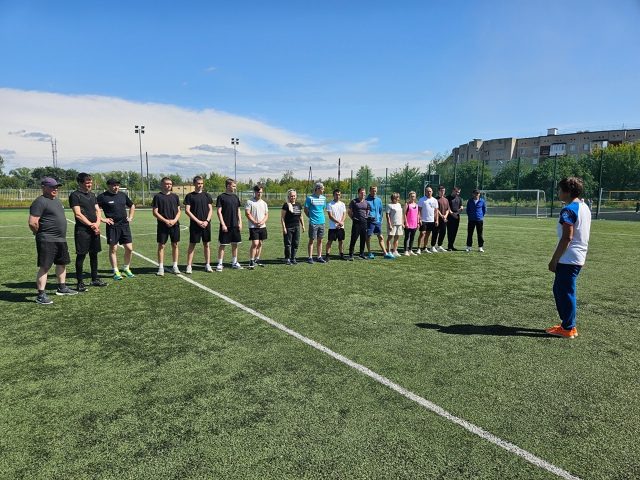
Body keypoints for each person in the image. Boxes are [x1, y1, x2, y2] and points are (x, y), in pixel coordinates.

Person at [546, 177, 591, 339]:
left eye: (560, 190)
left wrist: (554, 259)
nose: (558, 192)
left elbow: (567, 237)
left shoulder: (568, 210)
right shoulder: (584, 207)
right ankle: (567, 324)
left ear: (568, 192)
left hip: (568, 258)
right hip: (577, 256)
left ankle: (568, 328)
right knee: (562, 290)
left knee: (564, 292)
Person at [28, 177, 77, 304]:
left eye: (56, 187)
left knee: (62, 263)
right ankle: (41, 295)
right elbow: (32, 222)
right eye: (52, 187)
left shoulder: (57, 201)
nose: (55, 189)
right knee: (45, 266)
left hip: (60, 239)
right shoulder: (40, 201)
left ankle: (62, 288)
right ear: (44, 187)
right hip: (47, 239)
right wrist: (38, 233)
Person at [69, 172, 107, 291]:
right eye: (87, 182)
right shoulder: (75, 195)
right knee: (81, 255)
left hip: (94, 229)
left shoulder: (92, 195)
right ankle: (80, 282)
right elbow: (78, 214)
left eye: (90, 182)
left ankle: (95, 279)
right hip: (82, 230)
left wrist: (97, 223)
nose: (90, 184)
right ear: (80, 183)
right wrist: (91, 224)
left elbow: (98, 210)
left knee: (94, 254)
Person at [97, 179, 135, 280]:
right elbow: (95, 209)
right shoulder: (102, 197)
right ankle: (115, 271)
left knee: (129, 248)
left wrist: (131, 217)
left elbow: (132, 205)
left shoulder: (122, 195)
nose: (116, 187)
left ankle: (126, 268)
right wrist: (102, 219)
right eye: (114, 185)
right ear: (108, 186)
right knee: (113, 249)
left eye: (117, 185)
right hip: (112, 226)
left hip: (124, 225)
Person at [184, 176, 214, 274]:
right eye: (198, 183)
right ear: (194, 184)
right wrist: (198, 221)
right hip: (195, 225)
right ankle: (189, 266)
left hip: (206, 224)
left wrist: (206, 221)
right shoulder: (189, 196)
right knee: (192, 245)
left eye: (201, 183)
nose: (200, 185)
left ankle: (207, 265)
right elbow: (187, 211)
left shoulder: (207, 195)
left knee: (206, 244)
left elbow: (210, 209)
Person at [152, 177, 181, 276]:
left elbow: (179, 211)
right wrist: (165, 221)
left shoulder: (175, 196)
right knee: (161, 245)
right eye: (166, 184)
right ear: (162, 185)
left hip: (175, 224)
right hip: (162, 226)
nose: (168, 185)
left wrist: (174, 220)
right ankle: (161, 267)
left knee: (175, 245)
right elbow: (155, 212)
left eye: (170, 184)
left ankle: (175, 266)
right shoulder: (157, 197)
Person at [216, 178, 243, 271]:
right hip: (226, 225)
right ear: (228, 186)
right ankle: (220, 264)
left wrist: (240, 222)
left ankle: (234, 262)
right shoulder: (221, 197)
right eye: (233, 186)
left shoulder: (235, 197)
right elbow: (219, 212)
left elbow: (238, 210)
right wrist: (223, 224)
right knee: (223, 245)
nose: (235, 188)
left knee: (235, 244)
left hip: (235, 225)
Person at [366, 185, 394, 259]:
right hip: (370, 221)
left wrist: (381, 219)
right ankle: (369, 253)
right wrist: (368, 217)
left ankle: (385, 253)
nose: (374, 192)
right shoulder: (366, 200)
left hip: (378, 221)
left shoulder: (379, 200)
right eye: (373, 191)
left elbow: (381, 211)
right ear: (370, 191)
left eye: (375, 191)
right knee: (368, 237)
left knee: (380, 237)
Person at [245, 184, 269, 269]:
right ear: (255, 192)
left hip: (262, 226)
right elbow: (247, 213)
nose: (260, 193)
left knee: (260, 243)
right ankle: (251, 260)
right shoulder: (249, 202)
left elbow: (266, 215)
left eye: (261, 192)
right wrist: (255, 222)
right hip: (253, 227)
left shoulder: (264, 203)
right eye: (258, 192)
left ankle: (257, 259)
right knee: (255, 243)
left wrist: (262, 222)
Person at [304, 182, 327, 264]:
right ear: (317, 189)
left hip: (322, 222)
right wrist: (311, 217)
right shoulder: (309, 198)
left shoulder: (324, 198)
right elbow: (305, 210)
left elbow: (323, 209)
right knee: (312, 240)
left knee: (320, 240)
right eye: (322, 189)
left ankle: (319, 257)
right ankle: (310, 257)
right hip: (313, 222)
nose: (323, 190)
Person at [281, 189, 305, 265]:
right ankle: (287, 258)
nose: (293, 197)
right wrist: (284, 228)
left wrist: (303, 225)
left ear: (296, 196)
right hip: (288, 227)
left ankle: (293, 258)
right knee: (288, 244)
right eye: (291, 196)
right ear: (289, 196)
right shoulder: (286, 205)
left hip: (297, 227)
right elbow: (282, 218)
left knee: (296, 243)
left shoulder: (298, 205)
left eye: (294, 196)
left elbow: (301, 216)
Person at [347, 187, 370, 260]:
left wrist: (366, 216)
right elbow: (349, 212)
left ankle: (361, 254)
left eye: (364, 193)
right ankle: (351, 254)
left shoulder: (366, 202)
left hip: (364, 223)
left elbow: (368, 210)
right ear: (358, 193)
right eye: (361, 193)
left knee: (363, 238)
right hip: (356, 223)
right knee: (354, 238)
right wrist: (353, 218)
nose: (363, 194)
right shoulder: (354, 201)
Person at [325, 188, 347, 261]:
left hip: (341, 227)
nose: (338, 196)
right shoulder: (329, 204)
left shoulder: (342, 204)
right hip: (333, 227)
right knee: (330, 241)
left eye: (339, 195)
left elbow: (344, 214)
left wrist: (341, 222)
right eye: (336, 194)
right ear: (333, 195)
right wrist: (338, 222)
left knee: (341, 241)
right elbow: (330, 216)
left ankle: (341, 254)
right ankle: (327, 255)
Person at [417, 186, 438, 254]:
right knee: (422, 234)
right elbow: (419, 210)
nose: (429, 192)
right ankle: (418, 248)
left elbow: (436, 211)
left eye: (430, 191)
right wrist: (419, 219)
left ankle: (425, 248)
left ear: (432, 192)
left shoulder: (435, 200)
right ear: (425, 192)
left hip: (431, 220)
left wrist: (436, 220)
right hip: (423, 220)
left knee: (428, 234)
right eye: (427, 191)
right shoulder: (421, 199)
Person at [430, 185, 450, 253]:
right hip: (437, 219)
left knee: (443, 232)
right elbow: (436, 209)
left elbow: (448, 209)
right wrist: (441, 216)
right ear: (438, 191)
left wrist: (445, 216)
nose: (442, 192)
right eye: (441, 191)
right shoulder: (435, 199)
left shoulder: (446, 200)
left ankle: (439, 246)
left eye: (443, 191)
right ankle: (432, 246)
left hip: (444, 219)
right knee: (435, 233)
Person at [385, 192, 404, 257]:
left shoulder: (399, 204)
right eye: (397, 197)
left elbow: (401, 214)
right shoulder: (389, 205)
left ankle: (395, 251)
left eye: (398, 197)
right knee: (390, 238)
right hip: (392, 224)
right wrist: (389, 224)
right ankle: (389, 251)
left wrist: (402, 223)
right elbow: (387, 215)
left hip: (399, 224)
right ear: (394, 198)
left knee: (396, 238)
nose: (398, 199)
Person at [446, 186, 464, 251]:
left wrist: (461, 208)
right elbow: (447, 208)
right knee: (450, 232)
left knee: (454, 232)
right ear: (453, 190)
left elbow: (461, 206)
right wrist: (453, 214)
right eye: (456, 191)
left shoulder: (459, 198)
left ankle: (452, 245)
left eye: (458, 192)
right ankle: (449, 246)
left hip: (457, 217)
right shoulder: (447, 198)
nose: (457, 193)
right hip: (449, 217)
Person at [403, 191, 419, 256]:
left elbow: (417, 214)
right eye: (411, 196)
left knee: (412, 238)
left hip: (414, 224)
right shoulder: (407, 204)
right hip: (408, 224)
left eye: (414, 196)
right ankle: (405, 251)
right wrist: (406, 223)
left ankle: (410, 250)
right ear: (409, 197)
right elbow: (404, 214)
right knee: (407, 237)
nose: (413, 197)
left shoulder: (416, 205)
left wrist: (418, 223)